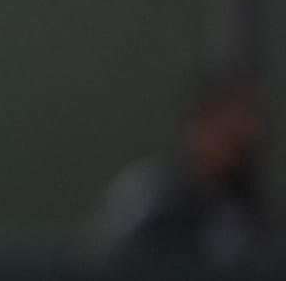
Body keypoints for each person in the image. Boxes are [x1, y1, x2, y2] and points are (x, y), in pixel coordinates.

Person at [92, 69, 271, 270]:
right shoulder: (150, 195)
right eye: (224, 131)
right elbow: (99, 254)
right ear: (199, 126)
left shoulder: (250, 211)